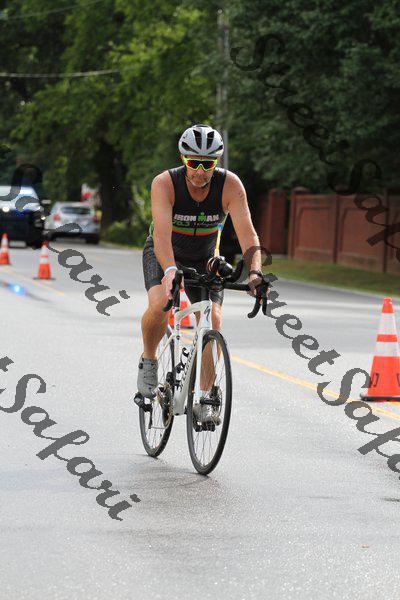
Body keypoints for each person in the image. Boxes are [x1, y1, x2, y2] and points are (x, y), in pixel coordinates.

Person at [138, 124, 264, 419]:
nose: (200, 171)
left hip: (205, 258)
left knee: (213, 320)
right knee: (161, 303)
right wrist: (170, 270)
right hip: (165, 252)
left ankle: (206, 397)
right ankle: (149, 359)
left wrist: (256, 273)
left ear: (216, 161)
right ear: (183, 158)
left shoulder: (230, 185)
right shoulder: (165, 183)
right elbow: (161, 236)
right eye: (193, 162)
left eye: (207, 164)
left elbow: (248, 235)